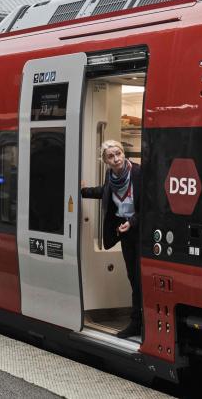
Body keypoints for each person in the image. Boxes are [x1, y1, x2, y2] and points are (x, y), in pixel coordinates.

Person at [81, 140, 141, 338]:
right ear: (105, 160)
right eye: (110, 156)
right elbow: (105, 191)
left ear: (124, 153)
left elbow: (151, 203)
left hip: (142, 231)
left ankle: (138, 323)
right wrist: (84, 191)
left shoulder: (139, 173)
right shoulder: (111, 177)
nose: (116, 159)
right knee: (133, 278)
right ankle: (138, 322)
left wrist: (132, 222)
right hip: (125, 233)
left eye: (118, 154)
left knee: (141, 279)